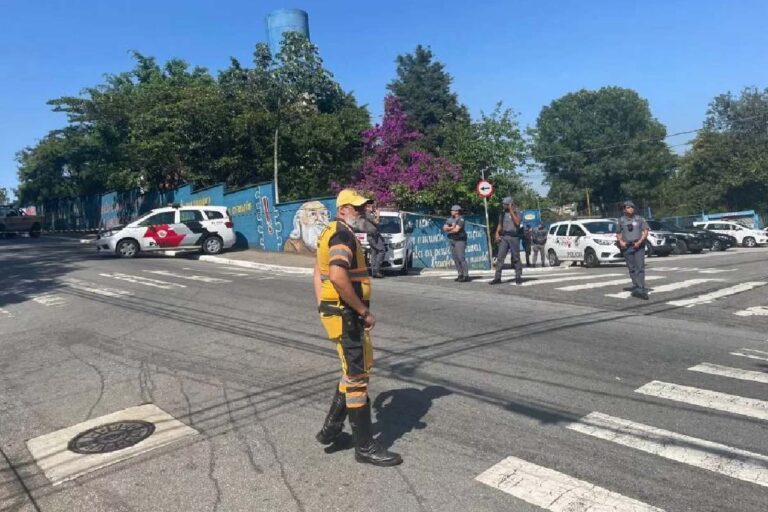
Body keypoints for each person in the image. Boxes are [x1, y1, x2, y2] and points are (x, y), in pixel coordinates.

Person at [313, 188, 403, 466]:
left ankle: (330, 430)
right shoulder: (343, 236)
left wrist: (323, 305)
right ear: (343, 211)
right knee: (357, 379)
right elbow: (338, 275)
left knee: (351, 372)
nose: (362, 211)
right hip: (347, 316)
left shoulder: (331, 231)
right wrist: (362, 310)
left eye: (364, 207)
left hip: (338, 313)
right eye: (357, 208)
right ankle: (364, 448)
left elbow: (318, 272)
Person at [616, 200, 650, 300]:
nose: (631, 209)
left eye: (632, 207)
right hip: (627, 246)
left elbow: (645, 231)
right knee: (631, 268)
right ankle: (636, 286)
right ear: (624, 210)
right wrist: (621, 242)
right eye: (628, 207)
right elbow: (618, 233)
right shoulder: (621, 220)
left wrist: (639, 242)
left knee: (640, 267)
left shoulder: (639, 219)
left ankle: (640, 288)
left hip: (638, 245)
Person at [489, 197, 523, 285]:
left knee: (516, 257)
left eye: (505, 204)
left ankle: (518, 276)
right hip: (504, 236)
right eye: (503, 204)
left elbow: (517, 223)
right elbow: (500, 224)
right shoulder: (503, 213)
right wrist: (497, 233)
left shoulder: (518, 212)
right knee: (500, 257)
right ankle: (497, 277)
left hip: (514, 237)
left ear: (510, 204)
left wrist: (511, 211)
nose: (503, 206)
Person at [442, 205, 469, 282]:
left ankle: (465, 275)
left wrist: (449, 229)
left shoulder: (461, 219)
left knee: (461, 257)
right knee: (455, 258)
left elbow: (456, 230)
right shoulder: (450, 219)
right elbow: (444, 227)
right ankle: (460, 274)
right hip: (452, 239)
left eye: (453, 210)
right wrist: (451, 227)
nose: (451, 212)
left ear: (457, 211)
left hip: (460, 240)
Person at [363, 200, 386, 278]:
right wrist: (378, 215)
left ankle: (374, 271)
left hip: (374, 234)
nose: (372, 208)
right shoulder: (367, 214)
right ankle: (376, 270)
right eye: (371, 206)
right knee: (381, 250)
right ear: (367, 207)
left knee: (374, 252)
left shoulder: (370, 214)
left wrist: (375, 214)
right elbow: (376, 222)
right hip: (372, 235)